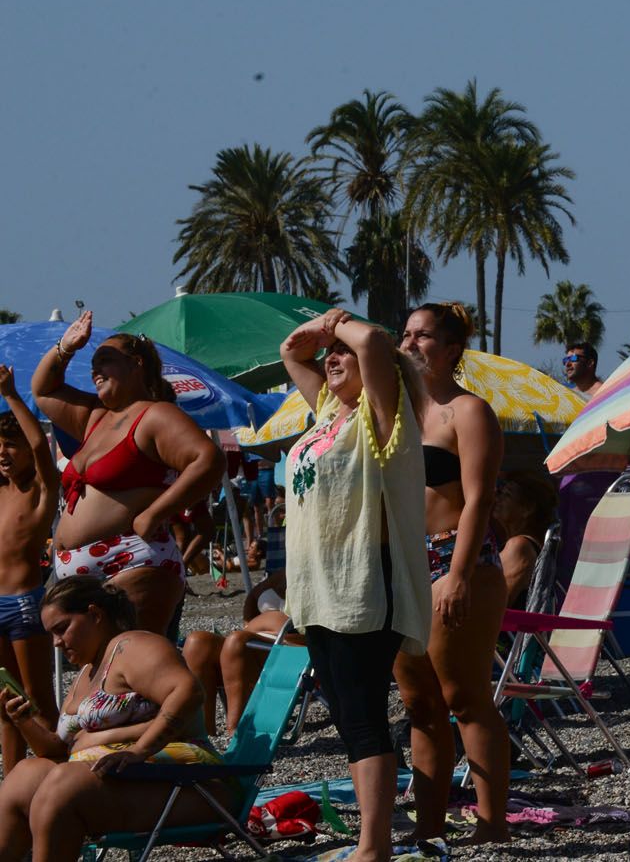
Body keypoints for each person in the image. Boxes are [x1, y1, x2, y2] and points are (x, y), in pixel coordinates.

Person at [279, 307, 431, 862]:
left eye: (340, 354)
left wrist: (334, 321)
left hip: (366, 584)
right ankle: (376, 835)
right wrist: (316, 341)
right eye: (329, 356)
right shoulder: (327, 414)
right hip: (321, 590)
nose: (331, 357)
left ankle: (375, 845)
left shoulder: (384, 416)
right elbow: (290, 352)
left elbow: (370, 339)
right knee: (346, 715)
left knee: (364, 714)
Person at [395, 302, 511, 844]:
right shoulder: (393, 411)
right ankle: (430, 827)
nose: (410, 344)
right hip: (403, 562)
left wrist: (459, 572)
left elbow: (479, 497)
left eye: (422, 337)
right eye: (406, 335)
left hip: (454, 558)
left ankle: (491, 826)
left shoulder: (467, 412)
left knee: (463, 697)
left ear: (451, 351)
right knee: (419, 704)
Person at [30, 313, 224, 634]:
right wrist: (66, 347)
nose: (95, 370)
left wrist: (154, 513)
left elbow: (208, 460)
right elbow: (44, 390)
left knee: (135, 671)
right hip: (83, 577)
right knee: (104, 677)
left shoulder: (156, 415)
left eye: (105, 360)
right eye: (93, 364)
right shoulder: (94, 417)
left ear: (137, 364)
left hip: (134, 564)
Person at [0, 576, 215, 862]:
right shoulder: (86, 673)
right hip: (122, 781)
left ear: (95, 614)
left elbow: (187, 692)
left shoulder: (132, 646)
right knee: (25, 775)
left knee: (64, 785)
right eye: (51, 634)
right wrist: (24, 720)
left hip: (189, 784)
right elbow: (56, 752)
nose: (56, 642)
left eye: (62, 629)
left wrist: (139, 749)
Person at [0, 367, 57, 770]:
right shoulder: (1, 492)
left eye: (9, 445)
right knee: (5, 699)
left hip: (24, 603)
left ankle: (53, 768)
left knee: (35, 697)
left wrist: (11, 395)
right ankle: (13, 775)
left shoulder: (40, 489)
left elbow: (39, 446)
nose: (2, 452)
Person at [181, 569, 297, 738]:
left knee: (237, 641)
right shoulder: (283, 570)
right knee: (197, 642)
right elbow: (254, 596)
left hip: (290, 648)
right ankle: (200, 734)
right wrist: (249, 625)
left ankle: (236, 730)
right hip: (253, 641)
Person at [492, 472, 559, 605]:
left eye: (506, 495)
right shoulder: (527, 546)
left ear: (527, 509)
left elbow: (494, 603)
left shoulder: (519, 546)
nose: (497, 499)